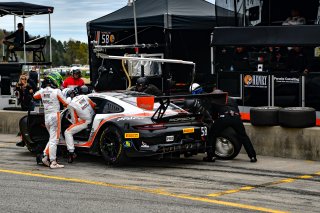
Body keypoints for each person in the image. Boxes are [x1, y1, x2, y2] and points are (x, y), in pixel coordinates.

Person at [189, 83, 257, 163]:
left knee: (212, 135)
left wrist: (214, 122)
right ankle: (252, 156)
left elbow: (213, 116)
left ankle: (211, 156)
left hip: (224, 117)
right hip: (236, 117)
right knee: (244, 136)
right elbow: (237, 111)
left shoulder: (214, 101)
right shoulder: (232, 99)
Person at [34, 72, 68, 169]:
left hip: (47, 116)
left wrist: (43, 90)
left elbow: (35, 96)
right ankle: (53, 162)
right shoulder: (57, 91)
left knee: (51, 138)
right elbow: (65, 103)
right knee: (55, 140)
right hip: (55, 116)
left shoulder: (42, 91)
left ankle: (45, 156)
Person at [64, 85, 96, 163]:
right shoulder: (84, 97)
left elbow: (74, 121)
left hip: (86, 121)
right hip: (93, 117)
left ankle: (71, 152)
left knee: (67, 132)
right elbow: (94, 105)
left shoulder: (71, 104)